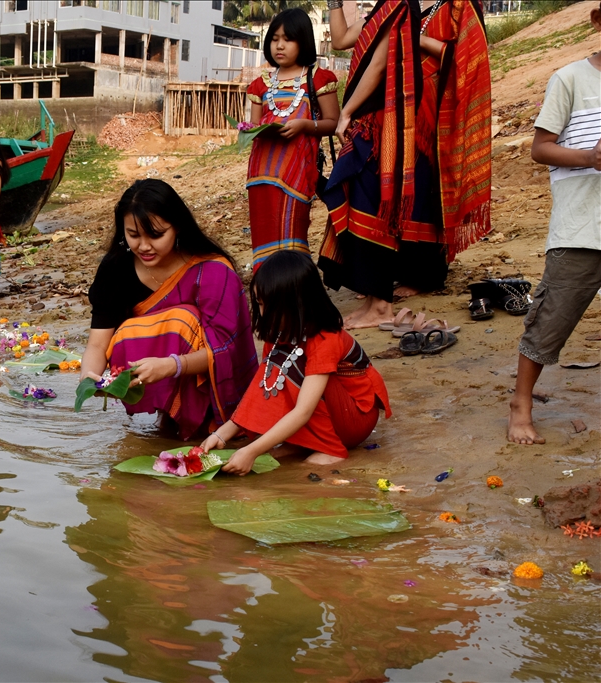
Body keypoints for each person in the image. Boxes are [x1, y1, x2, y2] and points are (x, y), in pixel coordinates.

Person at [317, 0, 492, 328]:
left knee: (393, 196)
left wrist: (411, 39)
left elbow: (465, 56)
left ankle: (388, 293)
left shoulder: (454, 5)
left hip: (418, 111)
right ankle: (375, 291)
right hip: (383, 110)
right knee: (379, 196)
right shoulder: (395, 4)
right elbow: (348, 42)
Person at [80, 179, 257, 440]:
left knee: (181, 320)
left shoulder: (212, 271)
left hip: (213, 382)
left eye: (156, 235)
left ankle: (206, 418)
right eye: (133, 235)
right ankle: (168, 413)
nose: (144, 246)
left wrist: (172, 366)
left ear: (177, 227)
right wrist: (89, 377)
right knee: (129, 331)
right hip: (156, 375)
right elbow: (98, 344)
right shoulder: (116, 268)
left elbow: (225, 349)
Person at [200, 251, 392, 472]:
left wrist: (251, 451)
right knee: (274, 372)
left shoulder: (325, 339)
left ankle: (330, 449)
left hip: (355, 417)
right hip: (327, 410)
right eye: (259, 304)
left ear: (297, 304)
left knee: (289, 366)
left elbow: (303, 410)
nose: (262, 314)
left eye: (268, 307)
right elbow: (260, 389)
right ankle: (304, 443)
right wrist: (222, 434)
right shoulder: (279, 335)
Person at [508, 2, 601, 446]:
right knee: (551, 319)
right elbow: (540, 149)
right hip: (583, 225)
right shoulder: (570, 79)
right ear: (598, 22)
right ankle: (520, 404)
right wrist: (590, 157)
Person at [244, 8, 339, 272]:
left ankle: (298, 294)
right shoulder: (259, 85)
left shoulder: (318, 78)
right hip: (261, 173)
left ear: (304, 41)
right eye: (274, 39)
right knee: (264, 240)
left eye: (288, 39)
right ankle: (268, 295)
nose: (279, 45)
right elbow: (253, 126)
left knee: (292, 237)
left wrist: (305, 126)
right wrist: (249, 130)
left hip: (296, 173)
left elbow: (333, 123)